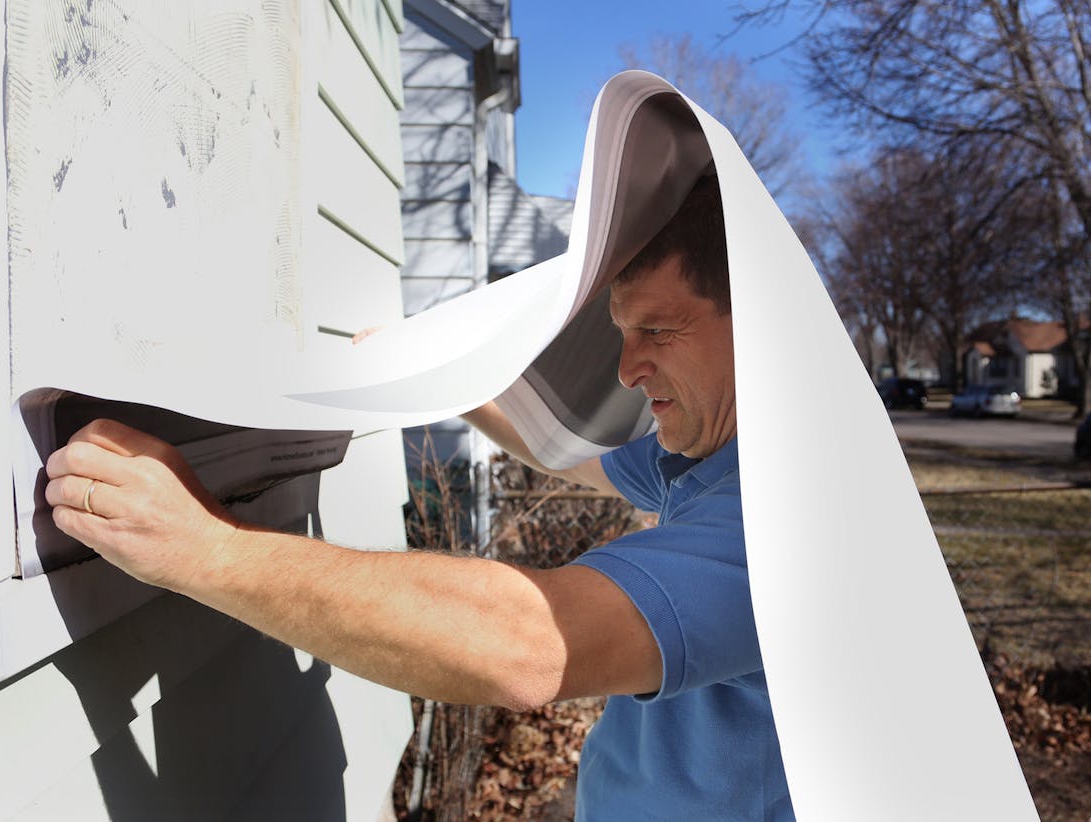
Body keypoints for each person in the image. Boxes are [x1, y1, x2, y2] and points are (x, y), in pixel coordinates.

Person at [45, 176, 792, 818]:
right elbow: (573, 457)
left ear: (755, 322)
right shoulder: (700, 460)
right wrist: (438, 377)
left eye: (657, 328)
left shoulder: (779, 519)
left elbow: (532, 643)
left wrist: (204, 548)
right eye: (623, 332)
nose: (630, 369)